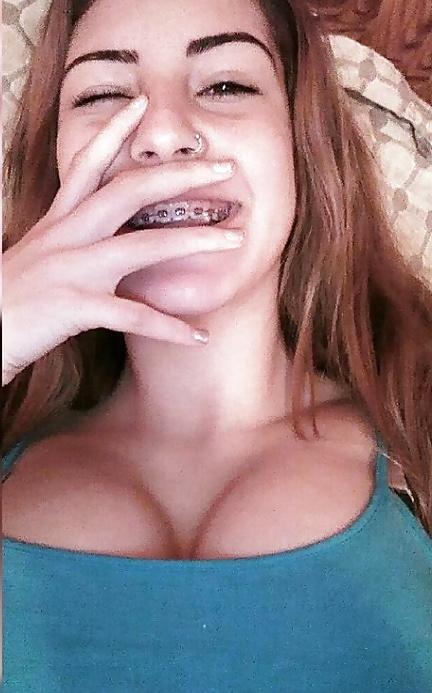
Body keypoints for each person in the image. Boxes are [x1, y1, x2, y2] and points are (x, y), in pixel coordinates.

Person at [2, 0, 431, 689]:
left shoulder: (419, 418)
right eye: (103, 95)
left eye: (226, 84)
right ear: (54, 162)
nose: (162, 132)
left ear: (301, 147)